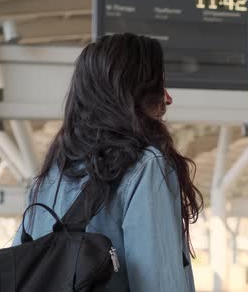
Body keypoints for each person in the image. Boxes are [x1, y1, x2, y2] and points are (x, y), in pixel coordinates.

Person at [12, 33, 203, 291]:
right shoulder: (146, 166)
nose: (167, 99)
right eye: (158, 85)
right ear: (133, 94)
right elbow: (159, 284)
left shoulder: (52, 174)